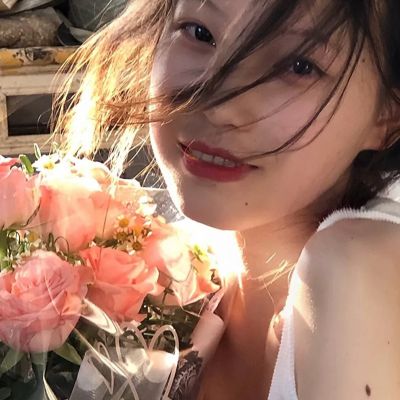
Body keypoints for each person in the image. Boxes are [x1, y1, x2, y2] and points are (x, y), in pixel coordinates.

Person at [55, 0, 400, 398]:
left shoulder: (354, 268)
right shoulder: (176, 268)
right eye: (200, 33)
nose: (216, 104)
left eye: (299, 66)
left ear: (387, 117)